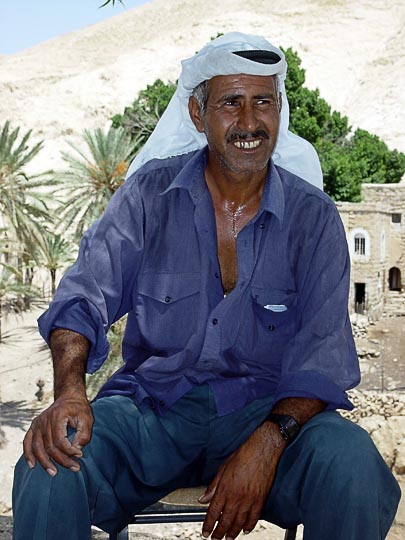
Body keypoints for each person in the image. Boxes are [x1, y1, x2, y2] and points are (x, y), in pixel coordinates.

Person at [13, 32, 400, 540]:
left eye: (263, 102)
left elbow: (322, 360)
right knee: (49, 464)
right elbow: (84, 296)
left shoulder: (315, 219)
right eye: (230, 104)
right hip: (152, 410)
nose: (249, 122)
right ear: (199, 115)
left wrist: (267, 443)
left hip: (266, 416)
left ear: (279, 110)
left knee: (352, 464)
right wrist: (68, 393)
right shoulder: (149, 196)